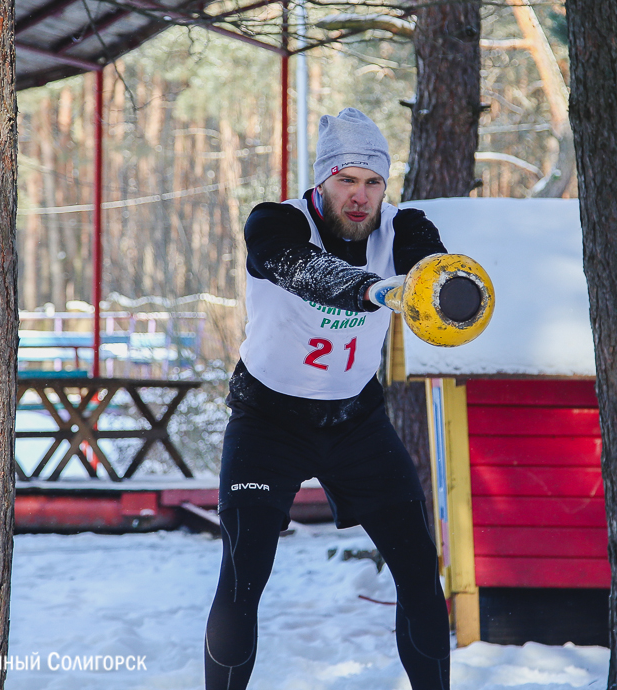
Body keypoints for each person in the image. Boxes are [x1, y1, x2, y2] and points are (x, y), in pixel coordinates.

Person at [203, 108, 451, 690]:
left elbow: (433, 272)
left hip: (355, 422)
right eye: (346, 180)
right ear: (321, 182)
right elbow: (294, 267)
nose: (360, 197)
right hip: (268, 420)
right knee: (242, 577)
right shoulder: (276, 222)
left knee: (418, 572)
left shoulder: (404, 227)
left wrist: (442, 287)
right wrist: (370, 289)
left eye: (373, 182)